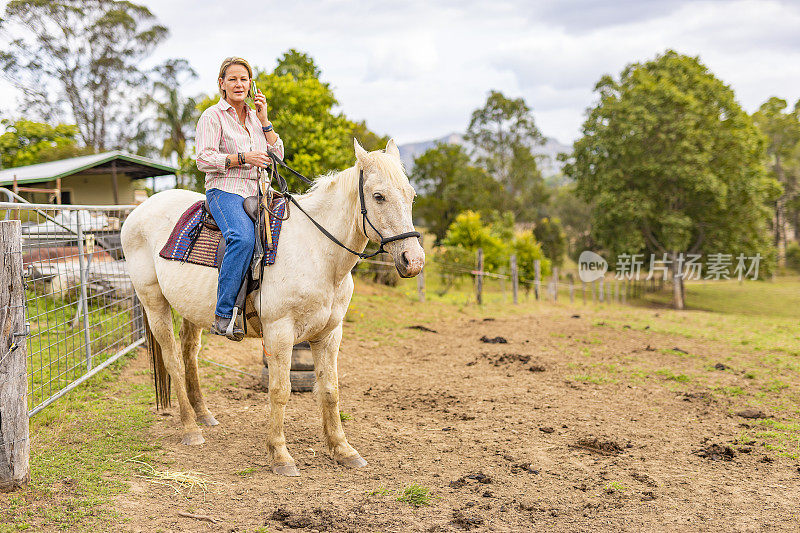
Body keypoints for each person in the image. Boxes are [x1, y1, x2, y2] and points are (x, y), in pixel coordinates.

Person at [196, 56, 284, 340]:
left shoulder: (258, 120)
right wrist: (242, 158)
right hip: (225, 189)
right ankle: (223, 315)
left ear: (251, 84)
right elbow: (203, 159)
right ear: (221, 84)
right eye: (232, 79)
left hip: (259, 191)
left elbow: (278, 157)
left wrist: (266, 120)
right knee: (242, 238)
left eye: (244, 79)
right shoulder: (213, 116)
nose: (239, 84)